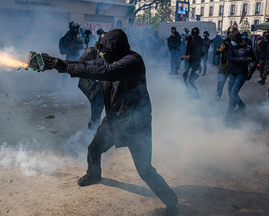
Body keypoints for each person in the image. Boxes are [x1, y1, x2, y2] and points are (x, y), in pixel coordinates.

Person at [43, 29, 179, 216]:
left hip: (136, 123)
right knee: (94, 148)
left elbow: (105, 71)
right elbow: (87, 65)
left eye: (106, 51)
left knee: (145, 169)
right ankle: (94, 174)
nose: (102, 55)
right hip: (116, 117)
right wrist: (58, 64)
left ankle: (173, 203)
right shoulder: (111, 58)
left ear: (117, 49)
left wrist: (66, 68)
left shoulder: (132, 61)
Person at [77, 29, 105, 129]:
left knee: (100, 106)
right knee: (97, 106)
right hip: (91, 85)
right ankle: (92, 130)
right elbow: (80, 65)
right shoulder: (91, 51)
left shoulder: (109, 54)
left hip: (102, 86)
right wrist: (95, 64)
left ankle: (94, 127)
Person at [225, 31, 256, 121]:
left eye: (233, 40)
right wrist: (241, 59)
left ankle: (228, 116)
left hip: (241, 74)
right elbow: (230, 58)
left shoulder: (248, 48)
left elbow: (254, 60)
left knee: (233, 93)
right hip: (232, 73)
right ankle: (242, 106)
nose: (231, 42)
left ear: (237, 40)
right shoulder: (232, 47)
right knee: (230, 93)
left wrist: (251, 72)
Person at [58, 21, 84, 89]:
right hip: (71, 56)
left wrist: (79, 42)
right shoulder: (69, 35)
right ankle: (64, 87)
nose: (78, 29)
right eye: (77, 27)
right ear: (74, 28)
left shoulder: (77, 35)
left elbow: (80, 45)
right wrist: (78, 45)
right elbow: (72, 46)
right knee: (67, 71)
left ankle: (74, 87)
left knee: (76, 71)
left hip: (76, 56)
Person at [215, 26, 238, 101]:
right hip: (224, 67)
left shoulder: (239, 43)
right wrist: (220, 49)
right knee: (220, 84)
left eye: (232, 33)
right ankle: (217, 99)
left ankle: (235, 103)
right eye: (229, 33)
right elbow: (217, 52)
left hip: (233, 68)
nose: (230, 35)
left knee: (231, 88)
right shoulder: (223, 42)